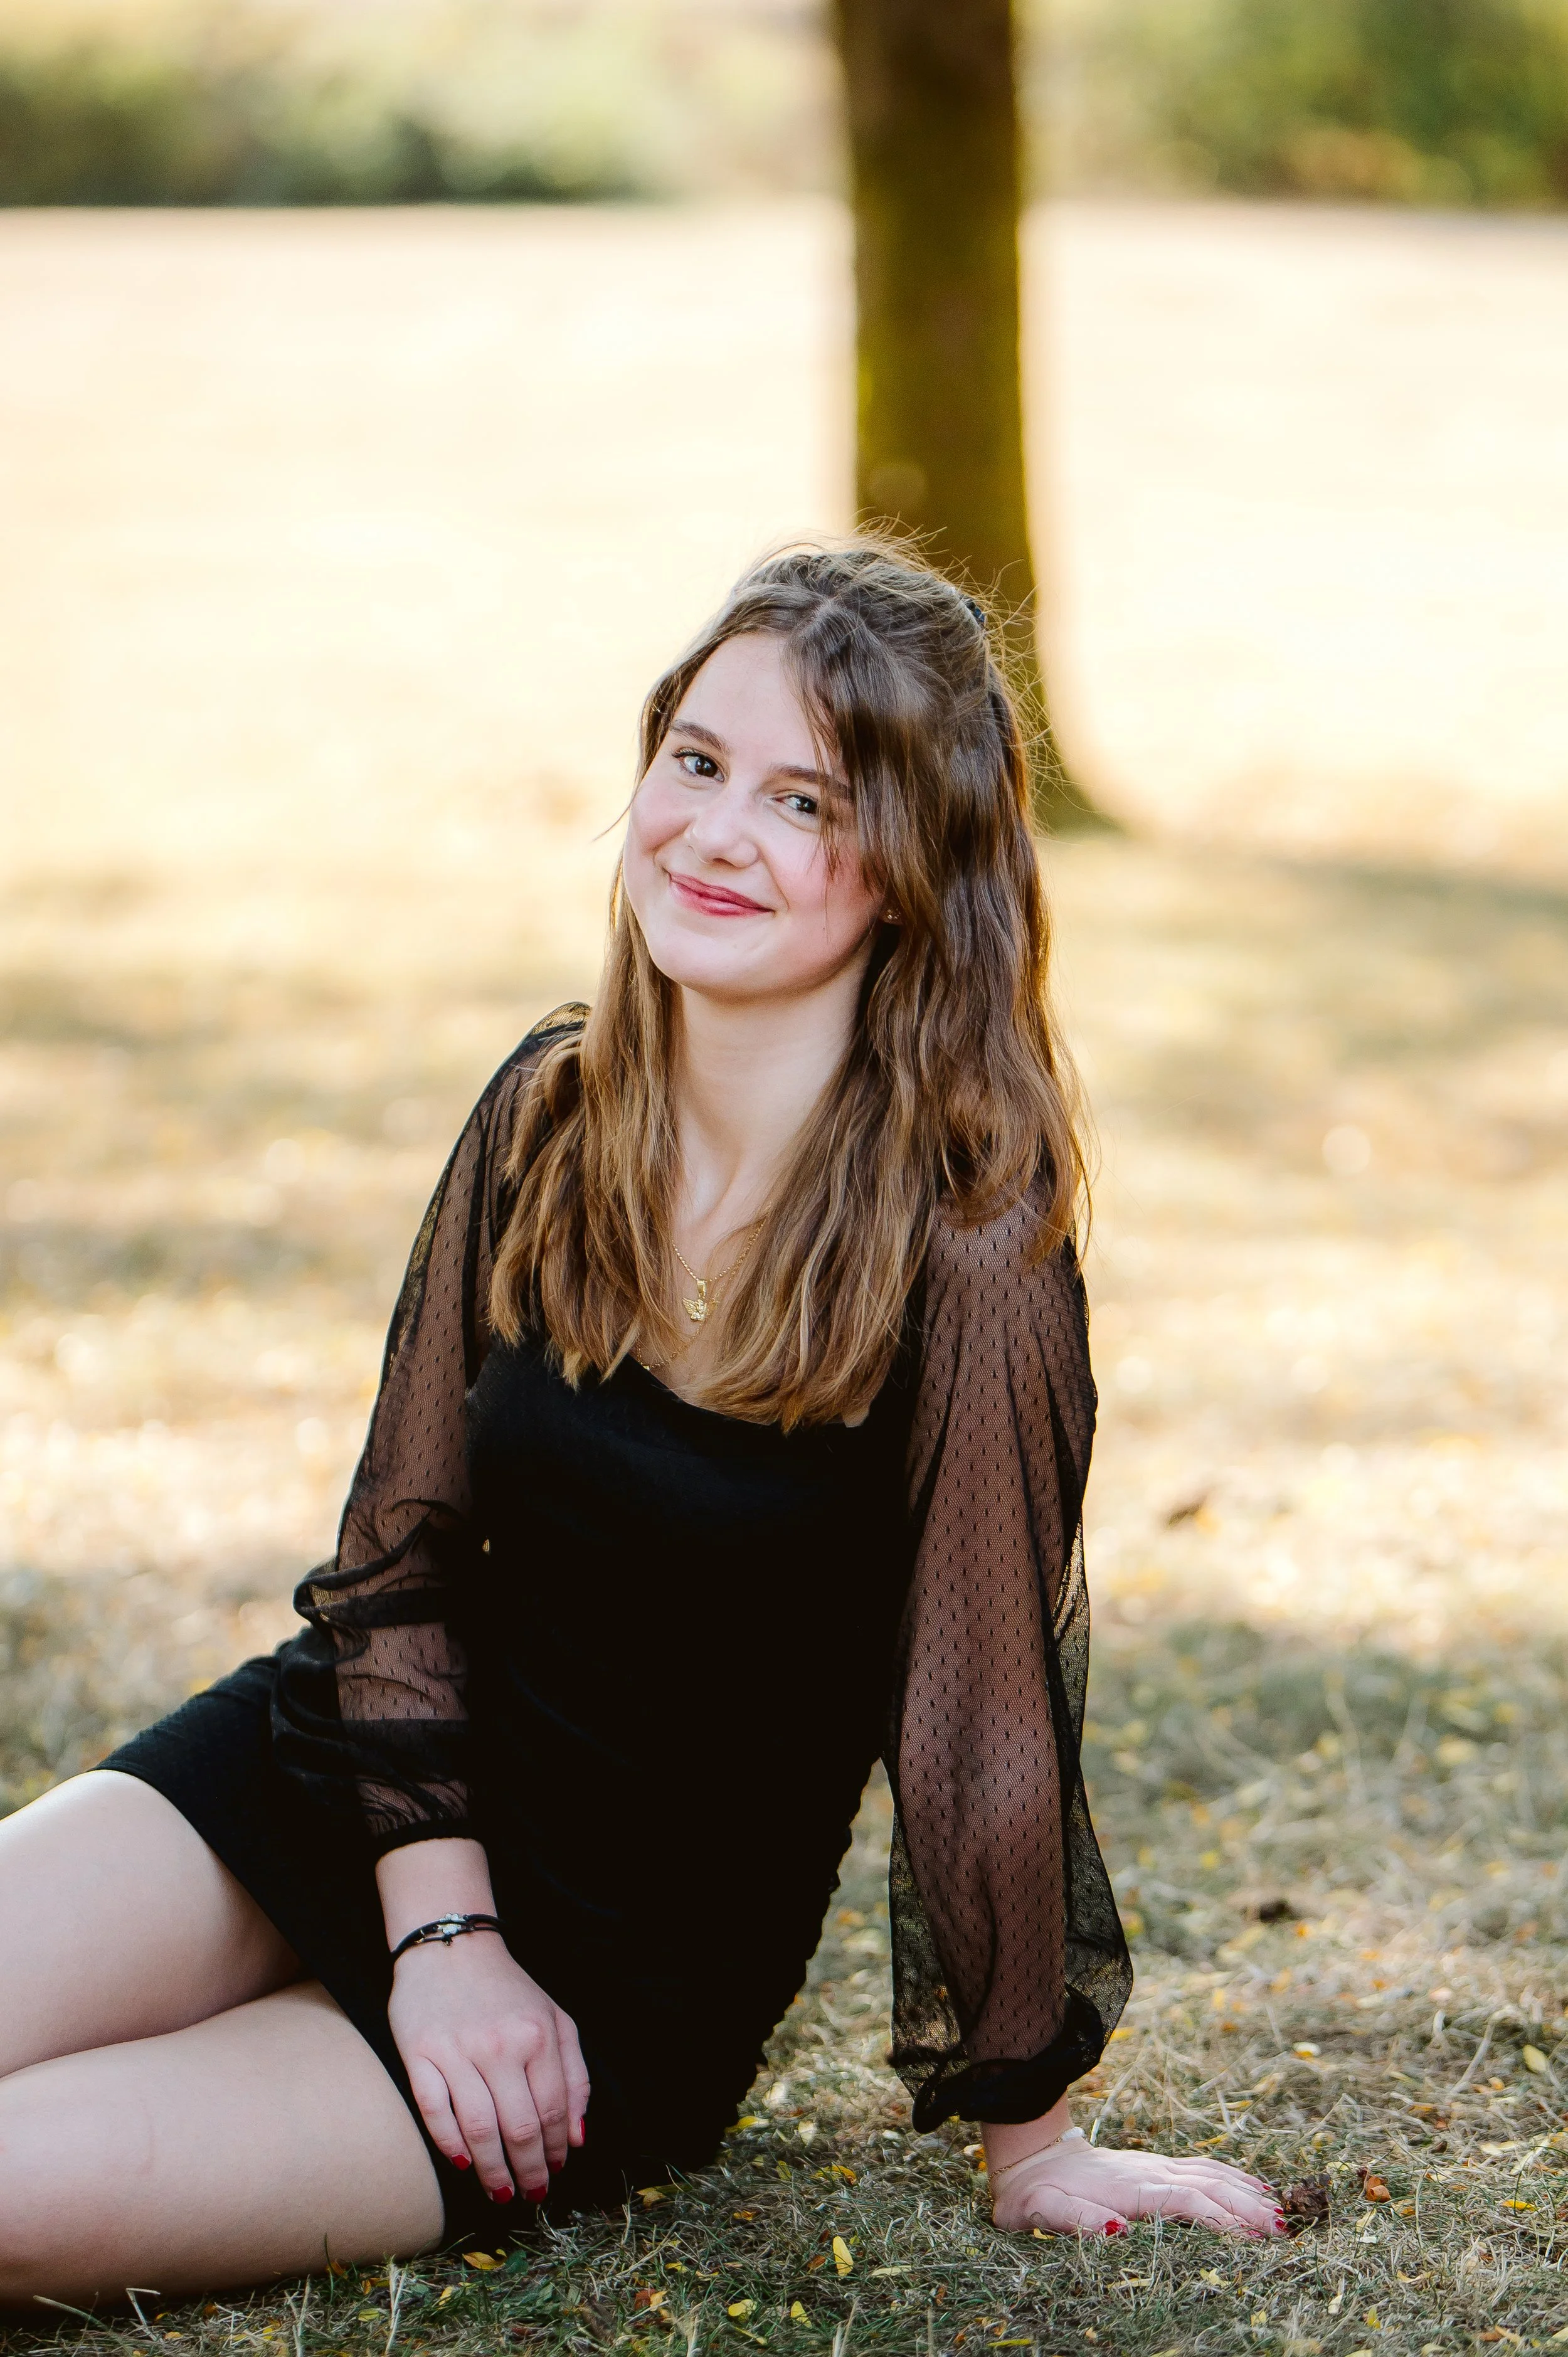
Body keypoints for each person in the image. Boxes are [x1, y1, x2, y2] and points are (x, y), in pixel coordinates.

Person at [0, 541, 1284, 2306]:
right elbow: (392, 1568)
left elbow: (977, 1703)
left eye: (802, 798)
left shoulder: (972, 1247)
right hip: (347, 1789)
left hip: (613, 1979)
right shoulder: (548, 1109)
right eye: (693, 761)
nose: (714, 831)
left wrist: (1033, 2137)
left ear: (914, 868)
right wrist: (438, 1928)